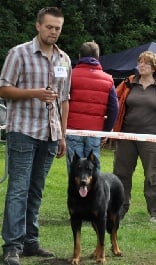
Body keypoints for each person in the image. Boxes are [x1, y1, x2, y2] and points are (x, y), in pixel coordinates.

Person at [0, 7, 71, 265]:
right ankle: (12, 247)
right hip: (22, 131)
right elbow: (3, 89)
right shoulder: (18, 54)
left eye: (58, 28)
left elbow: (64, 100)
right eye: (50, 27)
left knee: (36, 190)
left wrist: (63, 135)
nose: (54, 32)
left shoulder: (64, 59)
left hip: (50, 134)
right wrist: (35, 93)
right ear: (38, 26)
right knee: (18, 189)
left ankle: (31, 242)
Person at [112, 51, 156, 223]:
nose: (141, 66)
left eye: (146, 63)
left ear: (154, 68)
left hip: (152, 137)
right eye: (140, 62)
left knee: (153, 175)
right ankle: (119, 210)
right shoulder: (129, 83)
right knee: (121, 174)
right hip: (126, 135)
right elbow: (114, 97)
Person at [66, 41, 118, 174]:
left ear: (79, 56)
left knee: (75, 169)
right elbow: (114, 109)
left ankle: (75, 194)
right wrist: (105, 131)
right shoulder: (108, 79)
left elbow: (62, 101)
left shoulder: (70, 76)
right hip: (95, 131)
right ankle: (96, 194)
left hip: (73, 130)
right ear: (98, 57)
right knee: (94, 169)